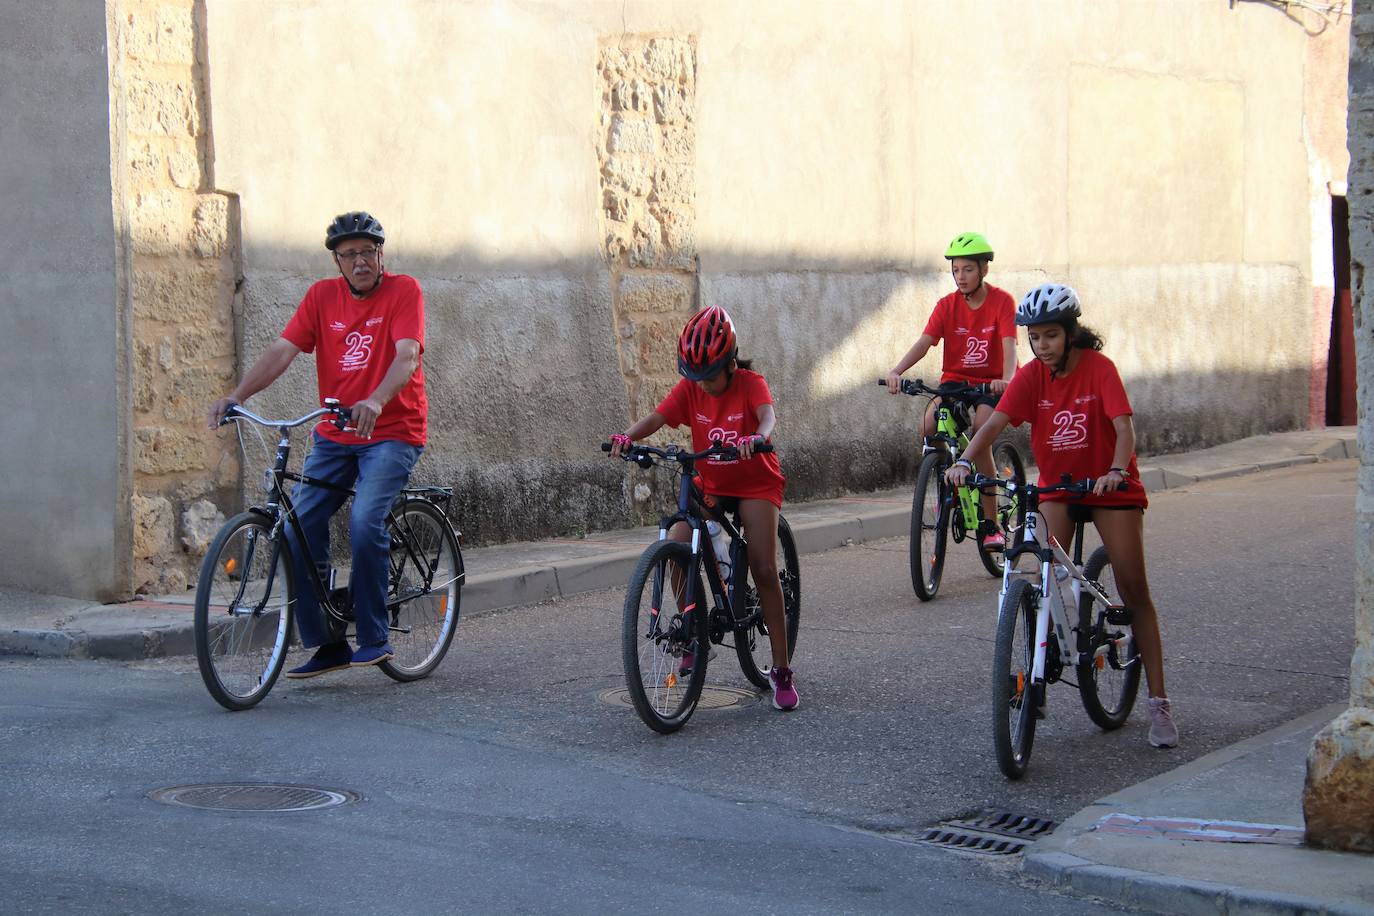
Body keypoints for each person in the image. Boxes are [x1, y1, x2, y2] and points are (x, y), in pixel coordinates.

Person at [946, 283, 1179, 748]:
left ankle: (1158, 703)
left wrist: (1116, 470)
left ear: (1071, 333)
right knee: (1036, 567)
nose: (1041, 345)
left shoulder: (1100, 369)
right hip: (1058, 486)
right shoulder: (1032, 376)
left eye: (1050, 335)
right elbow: (993, 423)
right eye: (1034, 337)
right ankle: (1037, 671)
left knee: (1134, 590)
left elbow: (1123, 427)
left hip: (1110, 488)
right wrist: (965, 461)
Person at [207, 211, 428, 678]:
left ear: (380, 254)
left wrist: (376, 398)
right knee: (295, 528)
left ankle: (373, 636)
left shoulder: (403, 290)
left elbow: (407, 355)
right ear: (337, 262)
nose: (361, 261)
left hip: (391, 432)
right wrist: (237, 396)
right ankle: (327, 643)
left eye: (368, 251)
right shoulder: (321, 298)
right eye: (350, 254)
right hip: (333, 433)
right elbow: (282, 351)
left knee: (366, 521)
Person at [607, 306, 798, 711]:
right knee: (677, 542)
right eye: (694, 376)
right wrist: (626, 437)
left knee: (763, 567)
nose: (702, 385)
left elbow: (768, 416)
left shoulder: (750, 384)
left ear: (730, 363)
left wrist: (757, 437)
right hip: (712, 483)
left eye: (709, 375)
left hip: (754, 481)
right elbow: (658, 417)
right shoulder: (692, 388)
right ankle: (693, 632)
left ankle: (780, 670)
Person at [885, 232, 1017, 548]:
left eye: (968, 269)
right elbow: (925, 342)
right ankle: (948, 473)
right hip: (955, 382)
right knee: (929, 427)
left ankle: (991, 525)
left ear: (984, 269)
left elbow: (1009, 346)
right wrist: (897, 371)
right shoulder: (946, 306)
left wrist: (1008, 379)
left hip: (990, 382)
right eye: (956, 270)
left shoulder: (1002, 302)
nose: (961, 276)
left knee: (981, 429)